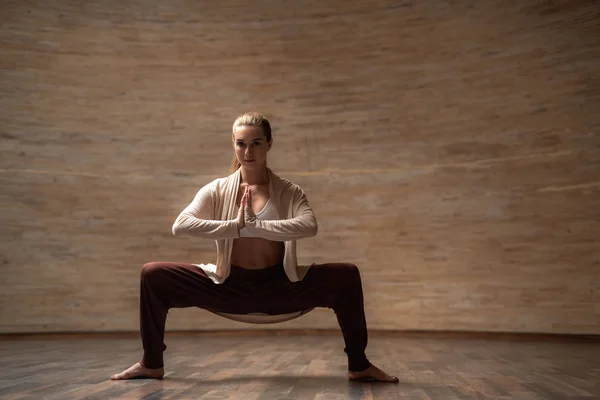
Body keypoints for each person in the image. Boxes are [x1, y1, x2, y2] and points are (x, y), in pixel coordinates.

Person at [111, 112, 398, 383]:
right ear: (234, 145)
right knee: (152, 274)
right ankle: (152, 363)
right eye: (241, 144)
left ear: (269, 144)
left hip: (280, 287)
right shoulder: (217, 189)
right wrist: (234, 227)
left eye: (256, 143)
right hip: (228, 285)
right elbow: (181, 225)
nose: (248, 152)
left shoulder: (290, 191)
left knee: (346, 274)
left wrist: (256, 226)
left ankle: (359, 366)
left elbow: (309, 226)